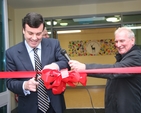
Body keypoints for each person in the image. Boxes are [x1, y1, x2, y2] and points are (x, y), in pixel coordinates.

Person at [6, 12, 69, 113]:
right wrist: (25, 85)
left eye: (38, 34)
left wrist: (55, 65)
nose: (34, 38)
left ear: (43, 30)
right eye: (30, 33)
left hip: (55, 106)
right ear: (23, 30)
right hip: (28, 107)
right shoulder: (12, 53)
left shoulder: (53, 44)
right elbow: (9, 82)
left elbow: (65, 62)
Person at [69, 27, 141, 113]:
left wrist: (85, 68)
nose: (118, 45)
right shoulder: (123, 57)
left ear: (132, 40)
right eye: (116, 41)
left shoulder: (136, 57)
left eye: (122, 41)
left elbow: (115, 71)